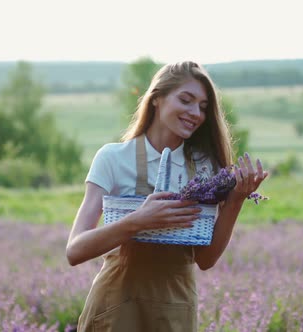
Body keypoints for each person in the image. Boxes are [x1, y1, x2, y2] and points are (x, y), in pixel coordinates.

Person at [66, 61, 268, 331]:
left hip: (176, 311)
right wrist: (138, 221)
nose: (196, 113)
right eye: (186, 100)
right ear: (156, 99)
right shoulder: (113, 158)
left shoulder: (206, 168)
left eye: (203, 107)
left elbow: (205, 260)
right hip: (115, 308)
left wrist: (235, 200)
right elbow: (75, 250)